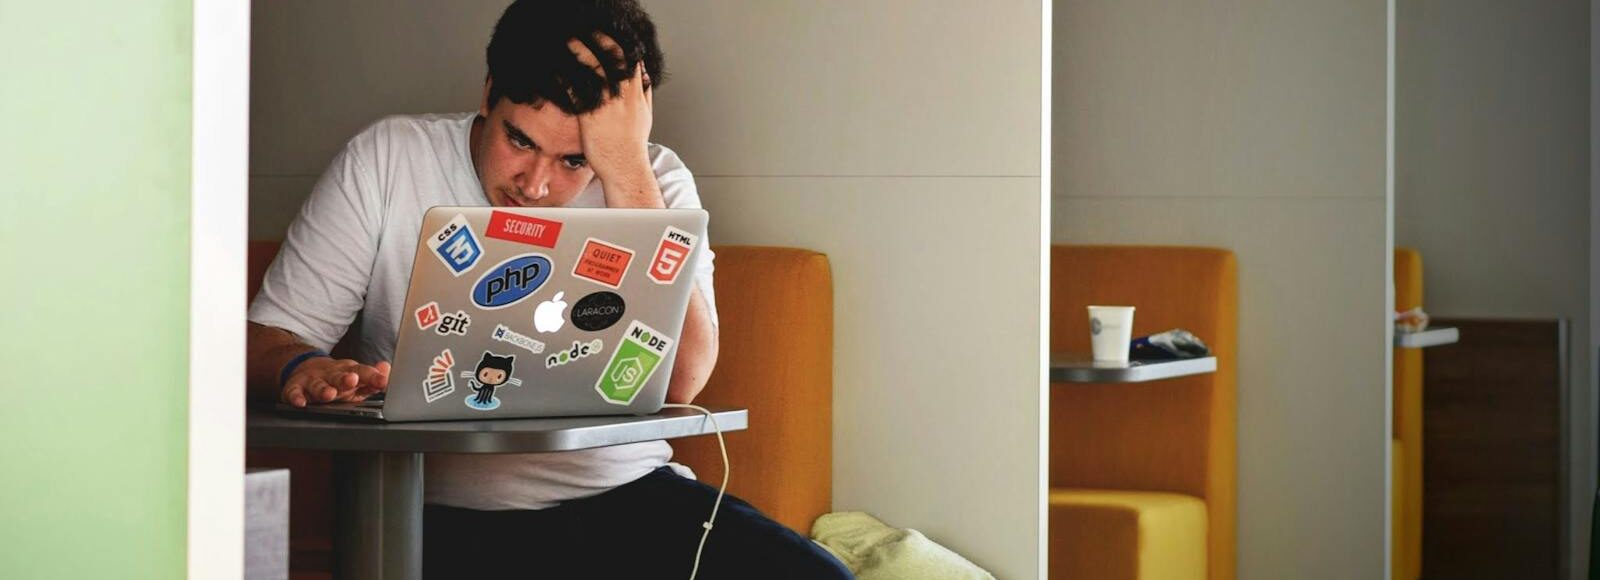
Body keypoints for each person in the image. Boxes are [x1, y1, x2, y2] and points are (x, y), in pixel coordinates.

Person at [244, 1, 852, 577]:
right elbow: (265, 339)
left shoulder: (654, 179)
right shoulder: (387, 159)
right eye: (520, 140)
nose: (534, 185)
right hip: (431, 515)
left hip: (623, 494)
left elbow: (683, 380)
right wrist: (302, 365)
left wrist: (627, 172)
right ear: (488, 92)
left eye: (574, 160)